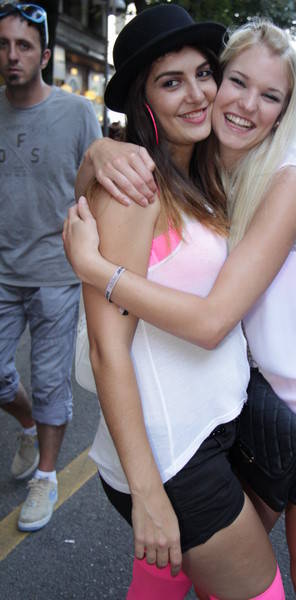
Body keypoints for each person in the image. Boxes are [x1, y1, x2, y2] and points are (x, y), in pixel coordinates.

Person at [65, 13, 296, 598]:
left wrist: (96, 268)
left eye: (270, 96)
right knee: (197, 574)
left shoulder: (279, 180)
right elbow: (110, 347)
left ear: (286, 110)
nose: (234, 102)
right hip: (235, 421)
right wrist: (98, 153)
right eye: (235, 81)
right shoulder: (197, 174)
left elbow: (213, 320)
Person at [67, 6, 283, 600]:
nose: (197, 94)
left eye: (204, 73)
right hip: (173, 459)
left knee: (161, 589)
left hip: (212, 429)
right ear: (143, 101)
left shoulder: (204, 176)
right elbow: (108, 350)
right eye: (171, 82)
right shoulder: (135, 190)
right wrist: (148, 493)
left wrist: (93, 153)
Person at [0, 2, 102, 532]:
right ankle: (27, 425)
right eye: (3, 45)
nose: (12, 55)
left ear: (44, 55)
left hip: (56, 272)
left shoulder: (77, 113)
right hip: (2, 270)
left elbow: (98, 189)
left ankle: (46, 475)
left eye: (23, 46)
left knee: (48, 383)